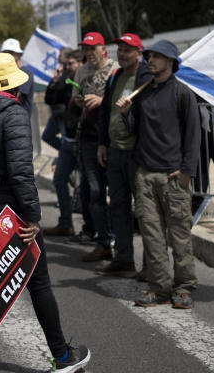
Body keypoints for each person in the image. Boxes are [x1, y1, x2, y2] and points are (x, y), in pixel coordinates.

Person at [0, 53, 90, 373]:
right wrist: (33, 216)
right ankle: (62, 356)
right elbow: (20, 173)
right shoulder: (13, 112)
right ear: (13, 84)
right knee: (39, 282)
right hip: (10, 215)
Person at [116, 40, 200, 309]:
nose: (150, 60)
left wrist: (187, 171)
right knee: (152, 237)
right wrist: (126, 114)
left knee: (179, 236)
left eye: (156, 57)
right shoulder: (143, 93)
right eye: (149, 56)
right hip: (146, 174)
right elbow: (134, 130)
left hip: (174, 177)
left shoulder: (182, 93)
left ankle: (184, 287)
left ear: (171, 61)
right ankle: (159, 287)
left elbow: (193, 135)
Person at [96, 33, 150, 277]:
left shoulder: (146, 77)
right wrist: (102, 143)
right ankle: (124, 258)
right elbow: (106, 111)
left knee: (145, 210)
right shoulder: (116, 75)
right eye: (120, 49)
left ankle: (151, 266)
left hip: (138, 153)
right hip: (115, 151)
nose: (122, 54)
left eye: (128, 50)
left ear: (139, 53)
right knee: (117, 206)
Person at [72, 32, 116, 262]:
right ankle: (103, 241)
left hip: (113, 138)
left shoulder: (114, 70)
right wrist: (80, 100)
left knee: (116, 191)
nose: (89, 53)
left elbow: (123, 100)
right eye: (86, 50)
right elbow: (75, 99)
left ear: (103, 49)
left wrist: (101, 101)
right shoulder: (80, 72)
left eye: (93, 49)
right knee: (95, 190)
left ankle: (118, 238)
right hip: (88, 138)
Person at [42, 51, 83, 237]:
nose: (66, 67)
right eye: (65, 64)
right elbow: (50, 98)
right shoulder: (66, 79)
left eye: (70, 64)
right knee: (59, 179)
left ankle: (98, 233)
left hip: (85, 141)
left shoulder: (86, 80)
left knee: (90, 187)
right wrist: (54, 81)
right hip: (69, 139)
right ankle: (66, 222)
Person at [41, 49, 71, 152]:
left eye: (61, 55)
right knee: (46, 136)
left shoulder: (69, 74)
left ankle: (67, 158)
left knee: (65, 141)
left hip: (64, 116)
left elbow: (61, 92)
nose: (58, 57)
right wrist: (54, 81)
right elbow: (48, 99)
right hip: (55, 115)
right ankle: (65, 155)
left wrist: (58, 80)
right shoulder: (59, 75)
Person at [0, 37, 34, 113]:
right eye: (5, 52)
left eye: (11, 52)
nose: (7, 55)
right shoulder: (5, 73)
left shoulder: (26, 73)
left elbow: (18, 98)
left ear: (20, 54)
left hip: (20, 119)